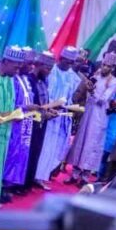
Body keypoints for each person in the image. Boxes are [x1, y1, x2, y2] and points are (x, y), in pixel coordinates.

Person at [66, 52, 116, 185]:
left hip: (99, 116)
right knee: (81, 141)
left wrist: (91, 91)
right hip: (88, 113)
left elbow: (103, 99)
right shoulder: (96, 75)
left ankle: (85, 177)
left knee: (92, 144)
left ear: (112, 68)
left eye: (108, 66)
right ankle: (74, 174)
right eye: (103, 65)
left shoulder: (114, 82)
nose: (104, 68)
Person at [35, 46, 82, 185]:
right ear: (60, 59)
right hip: (48, 115)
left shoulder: (73, 77)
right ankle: (38, 175)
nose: (69, 66)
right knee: (45, 146)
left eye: (72, 63)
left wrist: (72, 107)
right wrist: (51, 106)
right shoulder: (50, 72)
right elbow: (44, 93)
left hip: (62, 116)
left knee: (58, 147)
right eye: (67, 62)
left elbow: (72, 96)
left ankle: (45, 174)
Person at [0, 46, 23, 205]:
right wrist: (2, 115)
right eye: (16, 67)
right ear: (6, 61)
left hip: (4, 133)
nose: (18, 71)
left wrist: (16, 114)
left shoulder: (9, 80)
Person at [2, 50, 38, 196]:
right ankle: (3, 185)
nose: (31, 67)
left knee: (20, 153)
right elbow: (11, 104)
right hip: (14, 123)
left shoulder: (24, 80)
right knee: (11, 153)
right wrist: (25, 108)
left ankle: (12, 184)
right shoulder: (13, 80)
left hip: (25, 123)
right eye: (28, 63)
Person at [23, 51, 57, 190]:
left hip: (41, 122)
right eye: (47, 68)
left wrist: (49, 111)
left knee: (36, 152)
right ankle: (22, 183)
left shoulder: (43, 81)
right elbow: (29, 104)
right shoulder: (29, 80)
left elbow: (43, 103)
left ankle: (29, 182)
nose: (49, 72)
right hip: (29, 122)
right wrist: (42, 115)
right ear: (39, 65)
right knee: (28, 153)